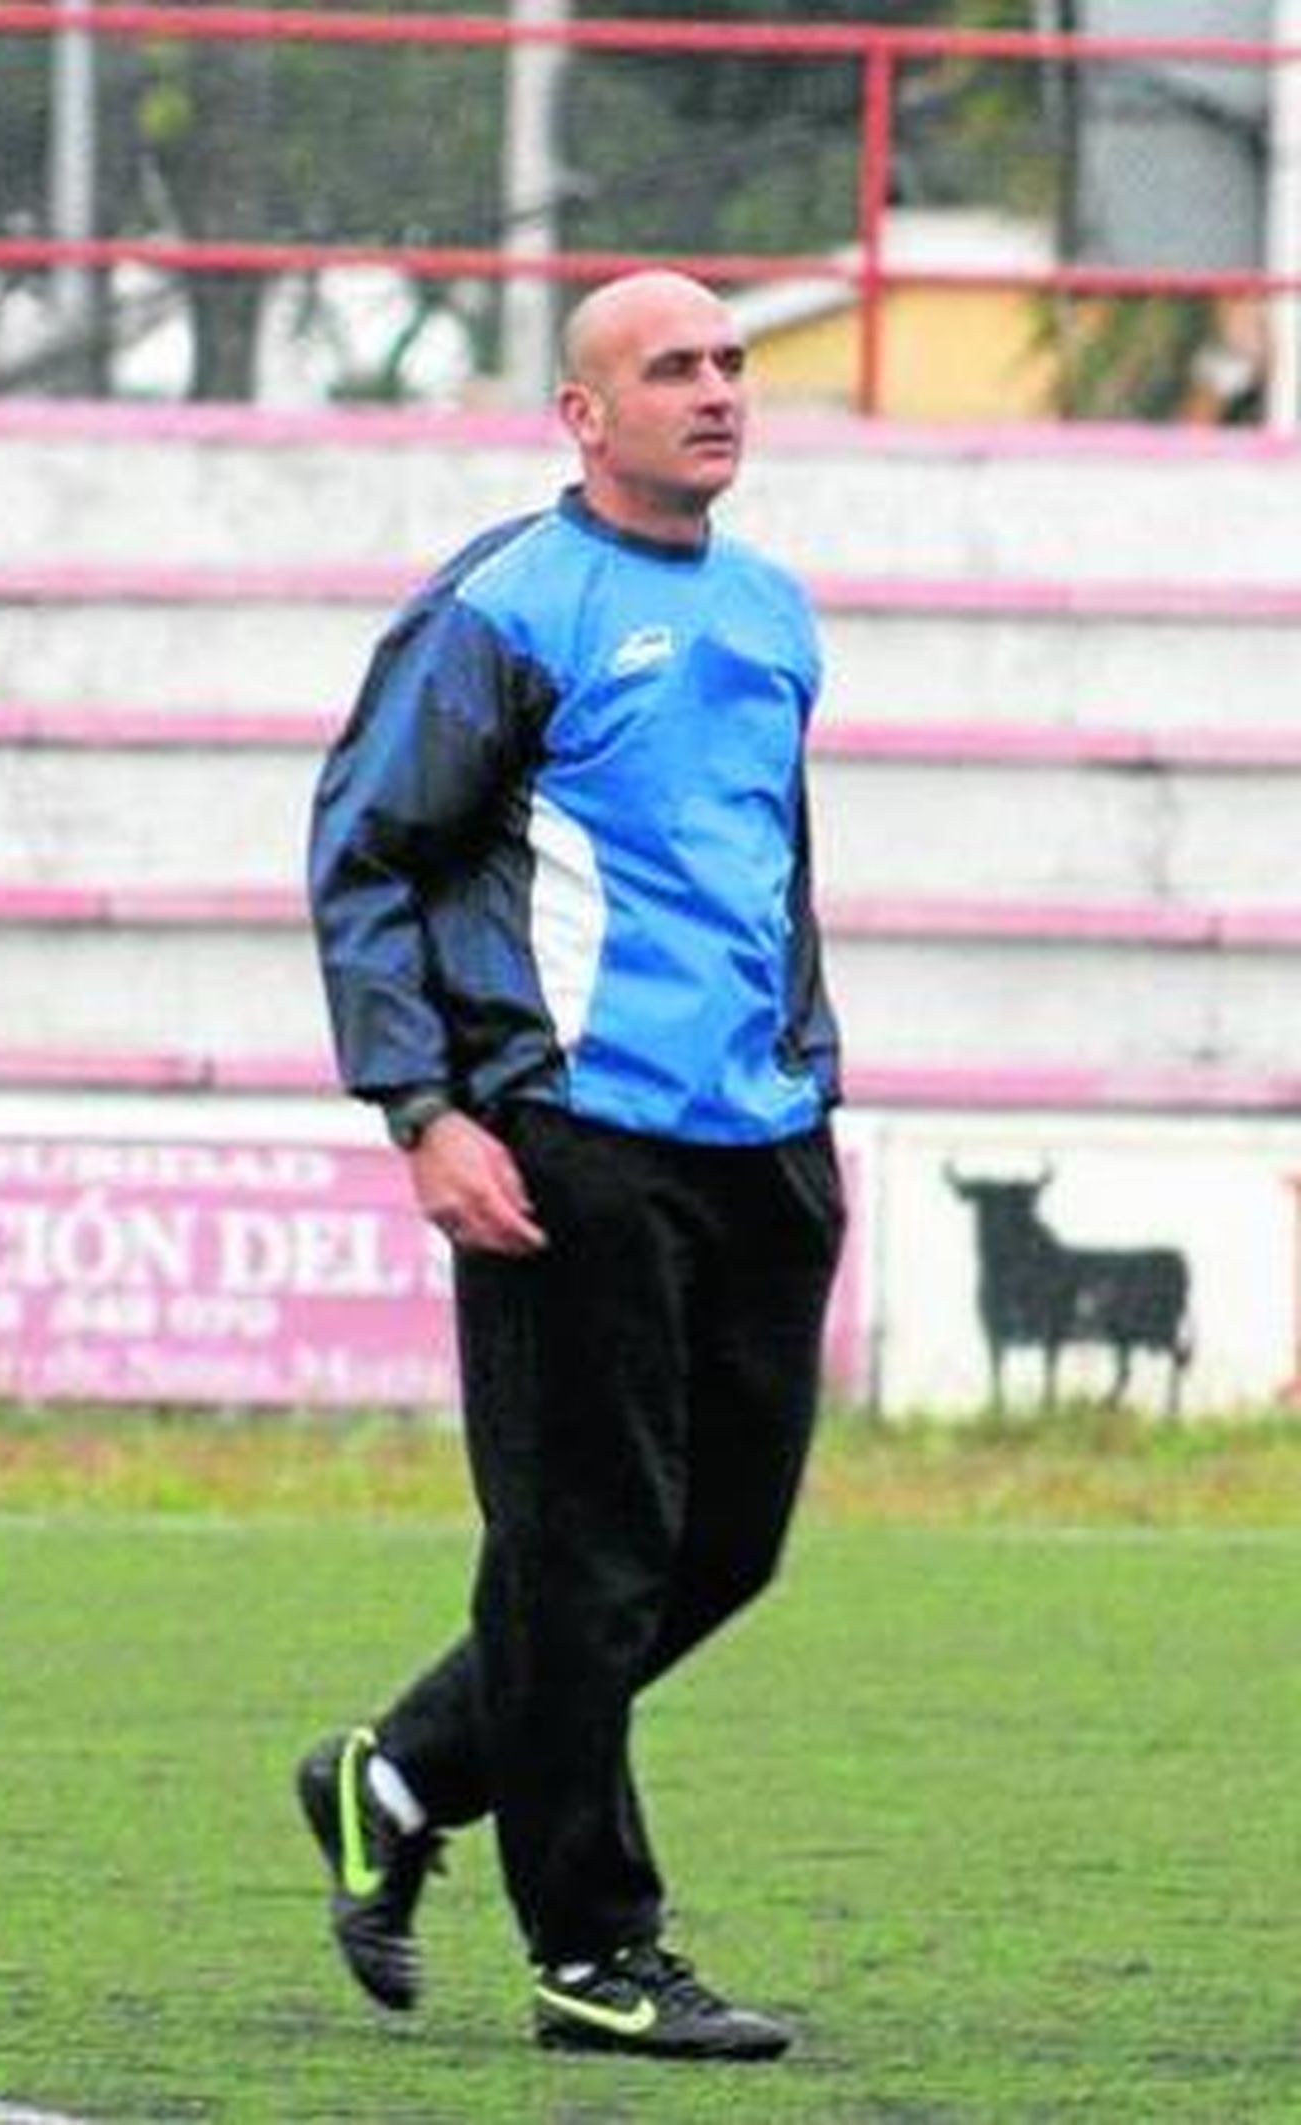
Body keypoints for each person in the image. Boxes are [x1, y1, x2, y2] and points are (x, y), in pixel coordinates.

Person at [299, 269, 846, 2063]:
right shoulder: (506, 609)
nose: (715, 392)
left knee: (721, 1548)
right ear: (582, 416)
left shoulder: (773, 612)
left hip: (761, 1144)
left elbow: (769, 876)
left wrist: (806, 1075)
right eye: (669, 368)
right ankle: (596, 1951)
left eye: (730, 363)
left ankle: (403, 1770)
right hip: (572, 1143)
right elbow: (369, 857)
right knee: (584, 1550)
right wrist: (428, 1109)